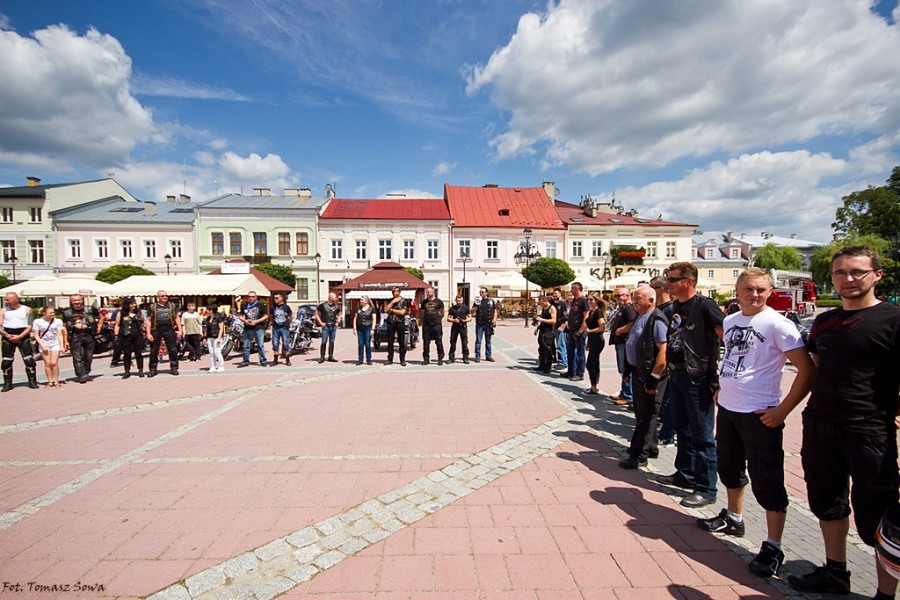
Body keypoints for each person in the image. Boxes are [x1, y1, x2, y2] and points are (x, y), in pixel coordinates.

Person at [788, 247, 900, 598]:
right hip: (821, 422)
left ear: (877, 275)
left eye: (857, 272)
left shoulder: (893, 319)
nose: (848, 279)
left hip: (868, 427)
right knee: (826, 500)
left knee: (877, 512)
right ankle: (835, 571)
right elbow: (817, 366)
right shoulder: (825, 321)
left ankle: (885, 593)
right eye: (840, 273)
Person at [695, 268, 815, 578]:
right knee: (729, 469)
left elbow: (806, 371)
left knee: (767, 480)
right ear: (737, 291)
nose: (755, 294)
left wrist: (783, 410)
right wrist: (723, 388)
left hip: (761, 414)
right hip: (730, 409)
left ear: (770, 291)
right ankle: (734, 517)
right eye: (748, 289)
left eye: (761, 289)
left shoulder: (779, 324)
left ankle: (773, 545)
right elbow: (735, 359)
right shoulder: (732, 321)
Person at [657, 262, 724, 508]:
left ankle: (706, 488)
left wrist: (716, 377)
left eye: (673, 279)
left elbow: (725, 339)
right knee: (681, 428)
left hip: (697, 377)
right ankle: (685, 474)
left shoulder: (705, 305)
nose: (668, 283)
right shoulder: (675, 306)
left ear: (689, 281)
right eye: (668, 278)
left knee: (702, 434)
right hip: (677, 374)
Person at [619, 286, 668, 469]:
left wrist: (654, 377)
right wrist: (628, 370)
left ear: (650, 301)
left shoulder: (657, 319)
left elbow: (664, 351)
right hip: (638, 371)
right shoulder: (641, 316)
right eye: (634, 298)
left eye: (638, 298)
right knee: (643, 412)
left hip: (650, 374)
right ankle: (651, 447)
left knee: (646, 414)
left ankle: (639, 454)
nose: (634, 302)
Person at [650, 276, 676, 445]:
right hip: (657, 359)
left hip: (666, 360)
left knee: (667, 398)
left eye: (652, 288)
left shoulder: (670, 309)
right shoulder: (659, 308)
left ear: (660, 289)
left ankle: (668, 433)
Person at [61, 294, 104, 384]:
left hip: (89, 335)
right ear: (71, 302)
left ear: (82, 300)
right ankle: (81, 374)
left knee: (88, 356)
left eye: (78, 300)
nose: (77, 302)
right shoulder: (67, 312)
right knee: (77, 357)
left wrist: (99, 328)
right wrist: (65, 340)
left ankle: (86, 372)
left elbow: (101, 317)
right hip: (75, 335)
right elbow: (64, 327)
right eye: (74, 300)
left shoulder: (90, 309)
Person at [0, 293, 37, 391]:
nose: (6, 302)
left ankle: (32, 381)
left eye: (8, 300)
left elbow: (30, 326)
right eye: (5, 300)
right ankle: (7, 383)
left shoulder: (27, 309)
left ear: (16, 299)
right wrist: (7, 335)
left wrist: (20, 336)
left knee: (29, 360)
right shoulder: (3, 310)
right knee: (6, 361)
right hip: (8, 335)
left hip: (23, 335)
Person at [608, 288, 637, 405]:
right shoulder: (623, 308)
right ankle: (624, 392)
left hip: (624, 342)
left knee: (625, 369)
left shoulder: (629, 308)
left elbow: (632, 322)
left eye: (620, 295)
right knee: (622, 368)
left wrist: (620, 330)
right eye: (616, 296)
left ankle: (628, 395)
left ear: (628, 296)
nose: (618, 298)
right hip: (620, 342)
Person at [145, 290, 183, 377]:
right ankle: (153, 369)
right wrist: (148, 333)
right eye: (162, 296)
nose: (165, 297)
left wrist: (180, 330)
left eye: (166, 295)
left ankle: (174, 368)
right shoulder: (152, 306)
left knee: (173, 349)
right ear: (158, 297)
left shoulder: (172, 305)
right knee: (154, 350)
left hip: (169, 328)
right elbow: (148, 320)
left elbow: (177, 318)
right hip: (156, 329)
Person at [32, 306, 65, 387]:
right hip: (44, 344)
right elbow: (36, 335)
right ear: (44, 313)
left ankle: (56, 380)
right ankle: (50, 381)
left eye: (53, 312)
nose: (52, 314)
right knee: (47, 363)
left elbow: (60, 334)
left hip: (55, 344)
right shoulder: (38, 321)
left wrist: (62, 346)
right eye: (50, 313)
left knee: (54, 363)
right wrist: (42, 345)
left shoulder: (57, 321)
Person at [580, 292, 607, 394]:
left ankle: (594, 386)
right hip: (592, 340)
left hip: (597, 340)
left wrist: (590, 331)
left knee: (590, 364)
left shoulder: (598, 312)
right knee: (595, 363)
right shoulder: (592, 312)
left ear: (596, 300)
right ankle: (595, 385)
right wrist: (588, 342)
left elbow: (602, 327)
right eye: (588, 299)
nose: (589, 301)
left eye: (591, 299)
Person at [114, 297, 146, 379]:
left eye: (134, 303)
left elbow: (142, 322)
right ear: (127, 305)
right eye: (132, 304)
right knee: (127, 353)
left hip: (138, 335)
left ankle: (140, 370)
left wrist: (143, 330)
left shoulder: (139, 312)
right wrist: (116, 336)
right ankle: (127, 371)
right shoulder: (121, 313)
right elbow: (117, 325)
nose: (134, 305)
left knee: (138, 353)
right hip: (125, 336)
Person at [564, 282, 588, 381]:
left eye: (572, 288)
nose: (571, 290)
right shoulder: (574, 300)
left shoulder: (583, 301)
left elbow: (586, 317)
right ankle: (571, 371)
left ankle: (580, 373)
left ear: (577, 289)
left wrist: (580, 331)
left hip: (579, 331)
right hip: (571, 330)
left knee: (580, 353)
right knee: (570, 352)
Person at [238, 291, 268, 367]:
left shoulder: (260, 305)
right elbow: (240, 316)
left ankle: (263, 360)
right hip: (247, 328)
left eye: (253, 296)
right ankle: (245, 361)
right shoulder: (244, 305)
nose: (251, 298)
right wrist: (245, 320)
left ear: (256, 297)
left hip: (258, 328)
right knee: (246, 345)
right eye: (249, 296)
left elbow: (266, 316)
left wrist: (257, 321)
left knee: (260, 345)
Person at [419, 286, 445, 365]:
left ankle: (440, 358)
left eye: (428, 292)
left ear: (433, 292)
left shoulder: (439, 302)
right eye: (426, 292)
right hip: (427, 325)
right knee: (426, 343)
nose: (427, 293)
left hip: (436, 325)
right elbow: (422, 313)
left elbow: (442, 313)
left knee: (439, 342)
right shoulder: (424, 302)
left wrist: (437, 319)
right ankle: (426, 359)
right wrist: (421, 321)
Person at [384, 287, 409, 366]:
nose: (393, 293)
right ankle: (390, 359)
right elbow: (385, 310)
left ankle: (402, 359)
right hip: (390, 322)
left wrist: (392, 310)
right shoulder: (390, 300)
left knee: (401, 342)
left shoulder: (404, 301)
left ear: (399, 292)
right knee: (390, 342)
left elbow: (402, 312)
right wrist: (392, 302)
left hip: (400, 322)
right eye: (392, 292)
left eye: (395, 291)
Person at [473, 287, 497, 363]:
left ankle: (488, 355)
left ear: (486, 293)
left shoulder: (491, 301)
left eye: (482, 292)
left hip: (488, 324)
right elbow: (472, 311)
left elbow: (495, 311)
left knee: (488, 341)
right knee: (478, 340)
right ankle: (477, 356)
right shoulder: (477, 301)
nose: (481, 293)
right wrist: (477, 305)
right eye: (480, 292)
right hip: (480, 324)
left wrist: (494, 320)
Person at [534, 295, 557, 373]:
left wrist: (542, 320)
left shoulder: (552, 308)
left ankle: (548, 366)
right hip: (542, 330)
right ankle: (542, 365)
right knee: (541, 349)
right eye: (540, 303)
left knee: (547, 349)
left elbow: (554, 321)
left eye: (542, 303)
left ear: (546, 301)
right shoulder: (544, 308)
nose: (541, 305)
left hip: (548, 331)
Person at [315, 292, 340, 364]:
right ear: (330, 298)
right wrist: (320, 323)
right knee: (324, 341)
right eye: (334, 297)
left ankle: (330, 356)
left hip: (333, 326)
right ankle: (322, 356)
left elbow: (339, 313)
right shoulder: (322, 305)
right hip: (326, 326)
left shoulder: (336, 306)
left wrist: (338, 322)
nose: (336, 298)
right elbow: (316, 314)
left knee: (332, 342)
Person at [269, 293, 293, 366]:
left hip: (284, 328)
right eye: (274, 298)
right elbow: (271, 316)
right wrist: (271, 322)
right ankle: (275, 360)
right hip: (276, 328)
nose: (275, 299)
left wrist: (288, 323)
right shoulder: (272, 307)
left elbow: (290, 316)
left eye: (277, 298)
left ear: (281, 298)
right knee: (275, 343)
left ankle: (287, 359)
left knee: (285, 343)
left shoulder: (286, 307)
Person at [447, 295, 471, 364]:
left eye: (461, 300)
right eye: (458, 301)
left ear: (462, 301)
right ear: (456, 301)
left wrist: (464, 320)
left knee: (464, 343)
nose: (459, 302)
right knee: (453, 343)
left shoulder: (466, 308)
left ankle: (465, 358)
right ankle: (451, 358)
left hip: (463, 326)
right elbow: (448, 318)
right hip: (455, 327)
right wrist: (454, 320)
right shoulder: (452, 308)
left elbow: (470, 317)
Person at [353, 295, 376, 365]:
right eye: (360, 300)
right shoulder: (358, 309)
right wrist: (354, 328)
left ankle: (369, 359)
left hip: (368, 327)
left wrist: (373, 329)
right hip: (360, 328)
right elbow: (355, 318)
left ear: (366, 301)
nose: (361, 301)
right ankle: (360, 359)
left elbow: (374, 319)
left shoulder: (372, 309)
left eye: (362, 300)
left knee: (367, 344)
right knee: (360, 344)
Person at [205, 304, 226, 372]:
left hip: (217, 337)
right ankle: (213, 366)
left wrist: (219, 338)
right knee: (211, 353)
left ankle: (221, 366)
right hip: (210, 337)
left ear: (211, 310)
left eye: (207, 309)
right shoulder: (208, 318)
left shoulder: (218, 317)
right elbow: (207, 329)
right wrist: (205, 338)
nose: (206, 310)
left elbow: (221, 328)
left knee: (217, 352)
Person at [552, 288, 568, 371]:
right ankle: (559, 361)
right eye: (553, 293)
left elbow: (566, 316)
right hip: (555, 326)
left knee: (561, 345)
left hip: (561, 327)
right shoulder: (555, 304)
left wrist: (562, 326)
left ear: (560, 294)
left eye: (556, 293)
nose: (554, 295)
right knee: (558, 345)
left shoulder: (563, 303)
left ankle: (563, 362)